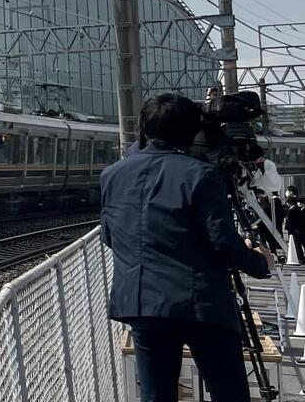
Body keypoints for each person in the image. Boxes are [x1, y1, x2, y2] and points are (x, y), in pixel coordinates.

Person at [101, 93, 272, 402]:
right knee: (228, 393)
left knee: (156, 396)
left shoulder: (111, 175)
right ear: (191, 131)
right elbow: (222, 241)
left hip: (142, 303)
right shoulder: (201, 175)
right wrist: (259, 262)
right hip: (201, 304)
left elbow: (110, 237)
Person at [286, 186, 305, 260]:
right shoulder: (295, 206)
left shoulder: (294, 205)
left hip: (296, 228)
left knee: (297, 243)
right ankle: (300, 257)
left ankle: (300, 257)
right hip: (297, 228)